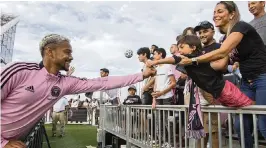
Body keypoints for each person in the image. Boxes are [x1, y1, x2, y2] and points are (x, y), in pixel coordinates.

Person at [1, 34, 156, 148]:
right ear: (50, 52)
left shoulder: (66, 83)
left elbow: (103, 82)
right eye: (67, 52)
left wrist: (141, 75)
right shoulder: (19, 70)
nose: (71, 57)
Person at [177, 2, 266, 147]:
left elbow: (223, 52)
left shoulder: (241, 26)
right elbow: (223, 63)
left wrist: (193, 60)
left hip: (262, 77)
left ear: (232, 14)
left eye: (220, 11)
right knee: (240, 126)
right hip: (246, 82)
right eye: (214, 12)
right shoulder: (225, 38)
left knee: (263, 124)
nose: (215, 15)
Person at [146, 35, 254, 108]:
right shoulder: (193, 58)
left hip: (226, 91)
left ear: (193, 47)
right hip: (218, 94)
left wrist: (155, 62)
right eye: (178, 48)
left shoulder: (191, 58)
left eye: (182, 47)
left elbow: (174, 59)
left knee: (251, 108)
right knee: (247, 112)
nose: (179, 51)